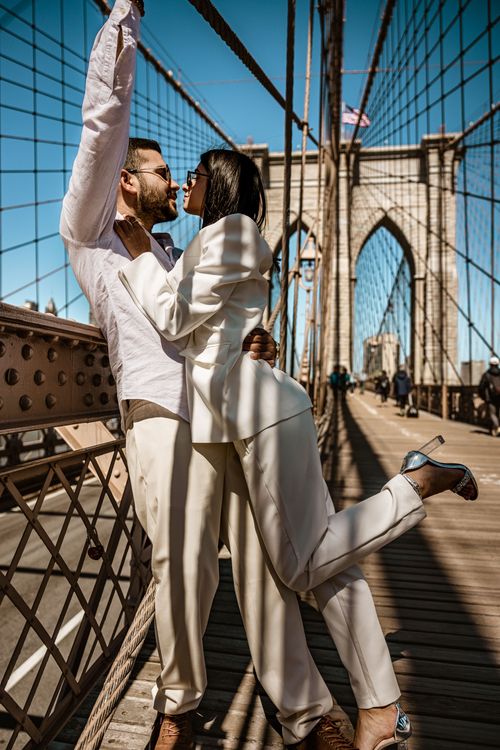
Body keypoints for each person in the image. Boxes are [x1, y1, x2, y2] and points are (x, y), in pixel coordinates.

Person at [60, 4, 403, 750]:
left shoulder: (186, 246)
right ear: (124, 181)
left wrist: (255, 336)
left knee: (263, 569)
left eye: (177, 174)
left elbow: (210, 310)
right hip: (161, 412)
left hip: (229, 417)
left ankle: (306, 713)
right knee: (181, 564)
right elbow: (101, 126)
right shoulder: (93, 230)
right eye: (156, 170)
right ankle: (179, 708)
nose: (170, 177)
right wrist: (123, 20)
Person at [117, 153, 479, 746]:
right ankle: (381, 712)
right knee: (322, 562)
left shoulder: (233, 232)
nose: (186, 181)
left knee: (300, 564)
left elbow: (176, 317)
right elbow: (216, 328)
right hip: (240, 422)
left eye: (199, 174)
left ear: (223, 185)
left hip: (263, 418)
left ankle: (412, 486)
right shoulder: (208, 241)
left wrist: (137, 258)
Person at [478, 356, 500, 437]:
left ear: (490, 364)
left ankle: (497, 427)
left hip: (491, 398)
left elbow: (481, 387)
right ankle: (495, 429)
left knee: (492, 414)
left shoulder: (487, 375)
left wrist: (483, 397)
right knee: (498, 413)